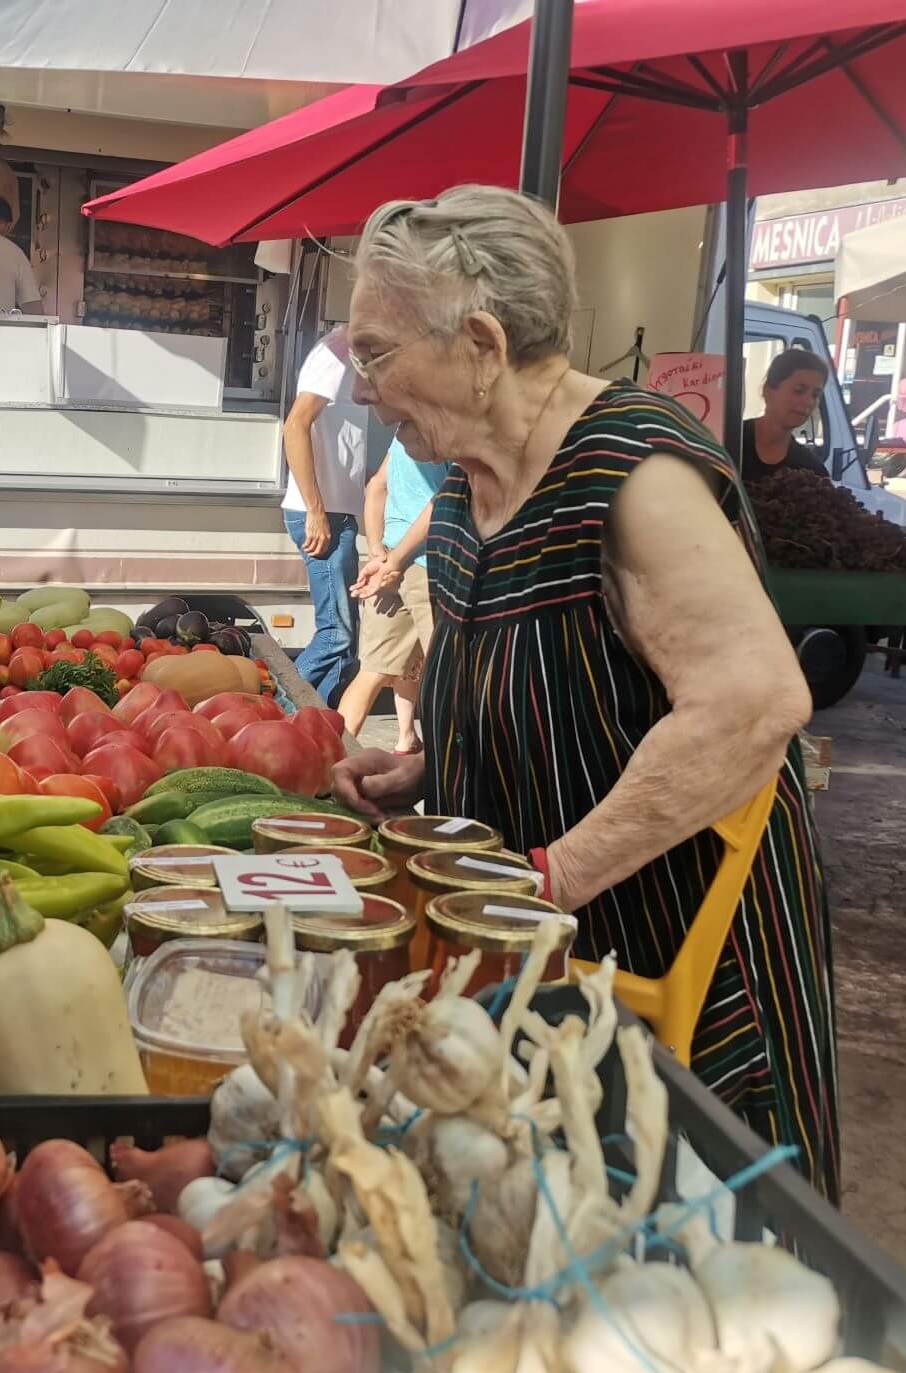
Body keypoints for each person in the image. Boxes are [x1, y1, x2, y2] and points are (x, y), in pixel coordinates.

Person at [330, 187, 839, 1197]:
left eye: (373, 354)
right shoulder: (469, 490)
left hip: (667, 948)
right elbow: (555, 684)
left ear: (479, 342)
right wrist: (430, 763)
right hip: (545, 954)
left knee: (689, 1259)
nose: (357, 391)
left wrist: (549, 880)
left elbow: (751, 703)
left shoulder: (629, 469)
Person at [281, 326, 370, 708]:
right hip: (324, 515)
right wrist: (316, 510)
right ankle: (276, 713)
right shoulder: (337, 351)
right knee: (336, 635)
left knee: (346, 648)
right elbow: (295, 426)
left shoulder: (348, 350)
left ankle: (318, 728)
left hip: (337, 513)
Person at [338, 443, 449, 749]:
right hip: (432, 565)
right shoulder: (449, 429)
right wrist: (395, 560)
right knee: (446, 677)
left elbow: (376, 486)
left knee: (371, 672)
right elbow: (443, 502)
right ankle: (445, 773)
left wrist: (378, 552)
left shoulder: (403, 435)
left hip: (391, 558)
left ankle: (330, 760)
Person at [741, 347, 830, 488]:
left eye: (815, 395)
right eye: (799, 391)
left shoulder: (812, 471)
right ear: (768, 390)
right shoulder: (728, 442)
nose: (808, 401)